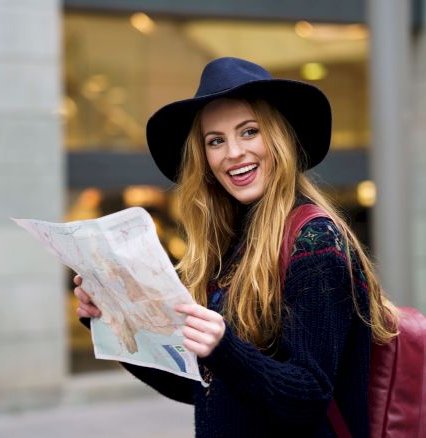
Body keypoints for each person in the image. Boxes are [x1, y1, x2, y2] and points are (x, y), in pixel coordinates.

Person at [74, 57, 398, 437]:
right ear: (205, 159)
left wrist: (225, 348)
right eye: (216, 141)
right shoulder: (233, 244)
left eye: (249, 132)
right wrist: (113, 320)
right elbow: (204, 386)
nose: (233, 153)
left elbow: (309, 396)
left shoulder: (316, 243)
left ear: (279, 137)